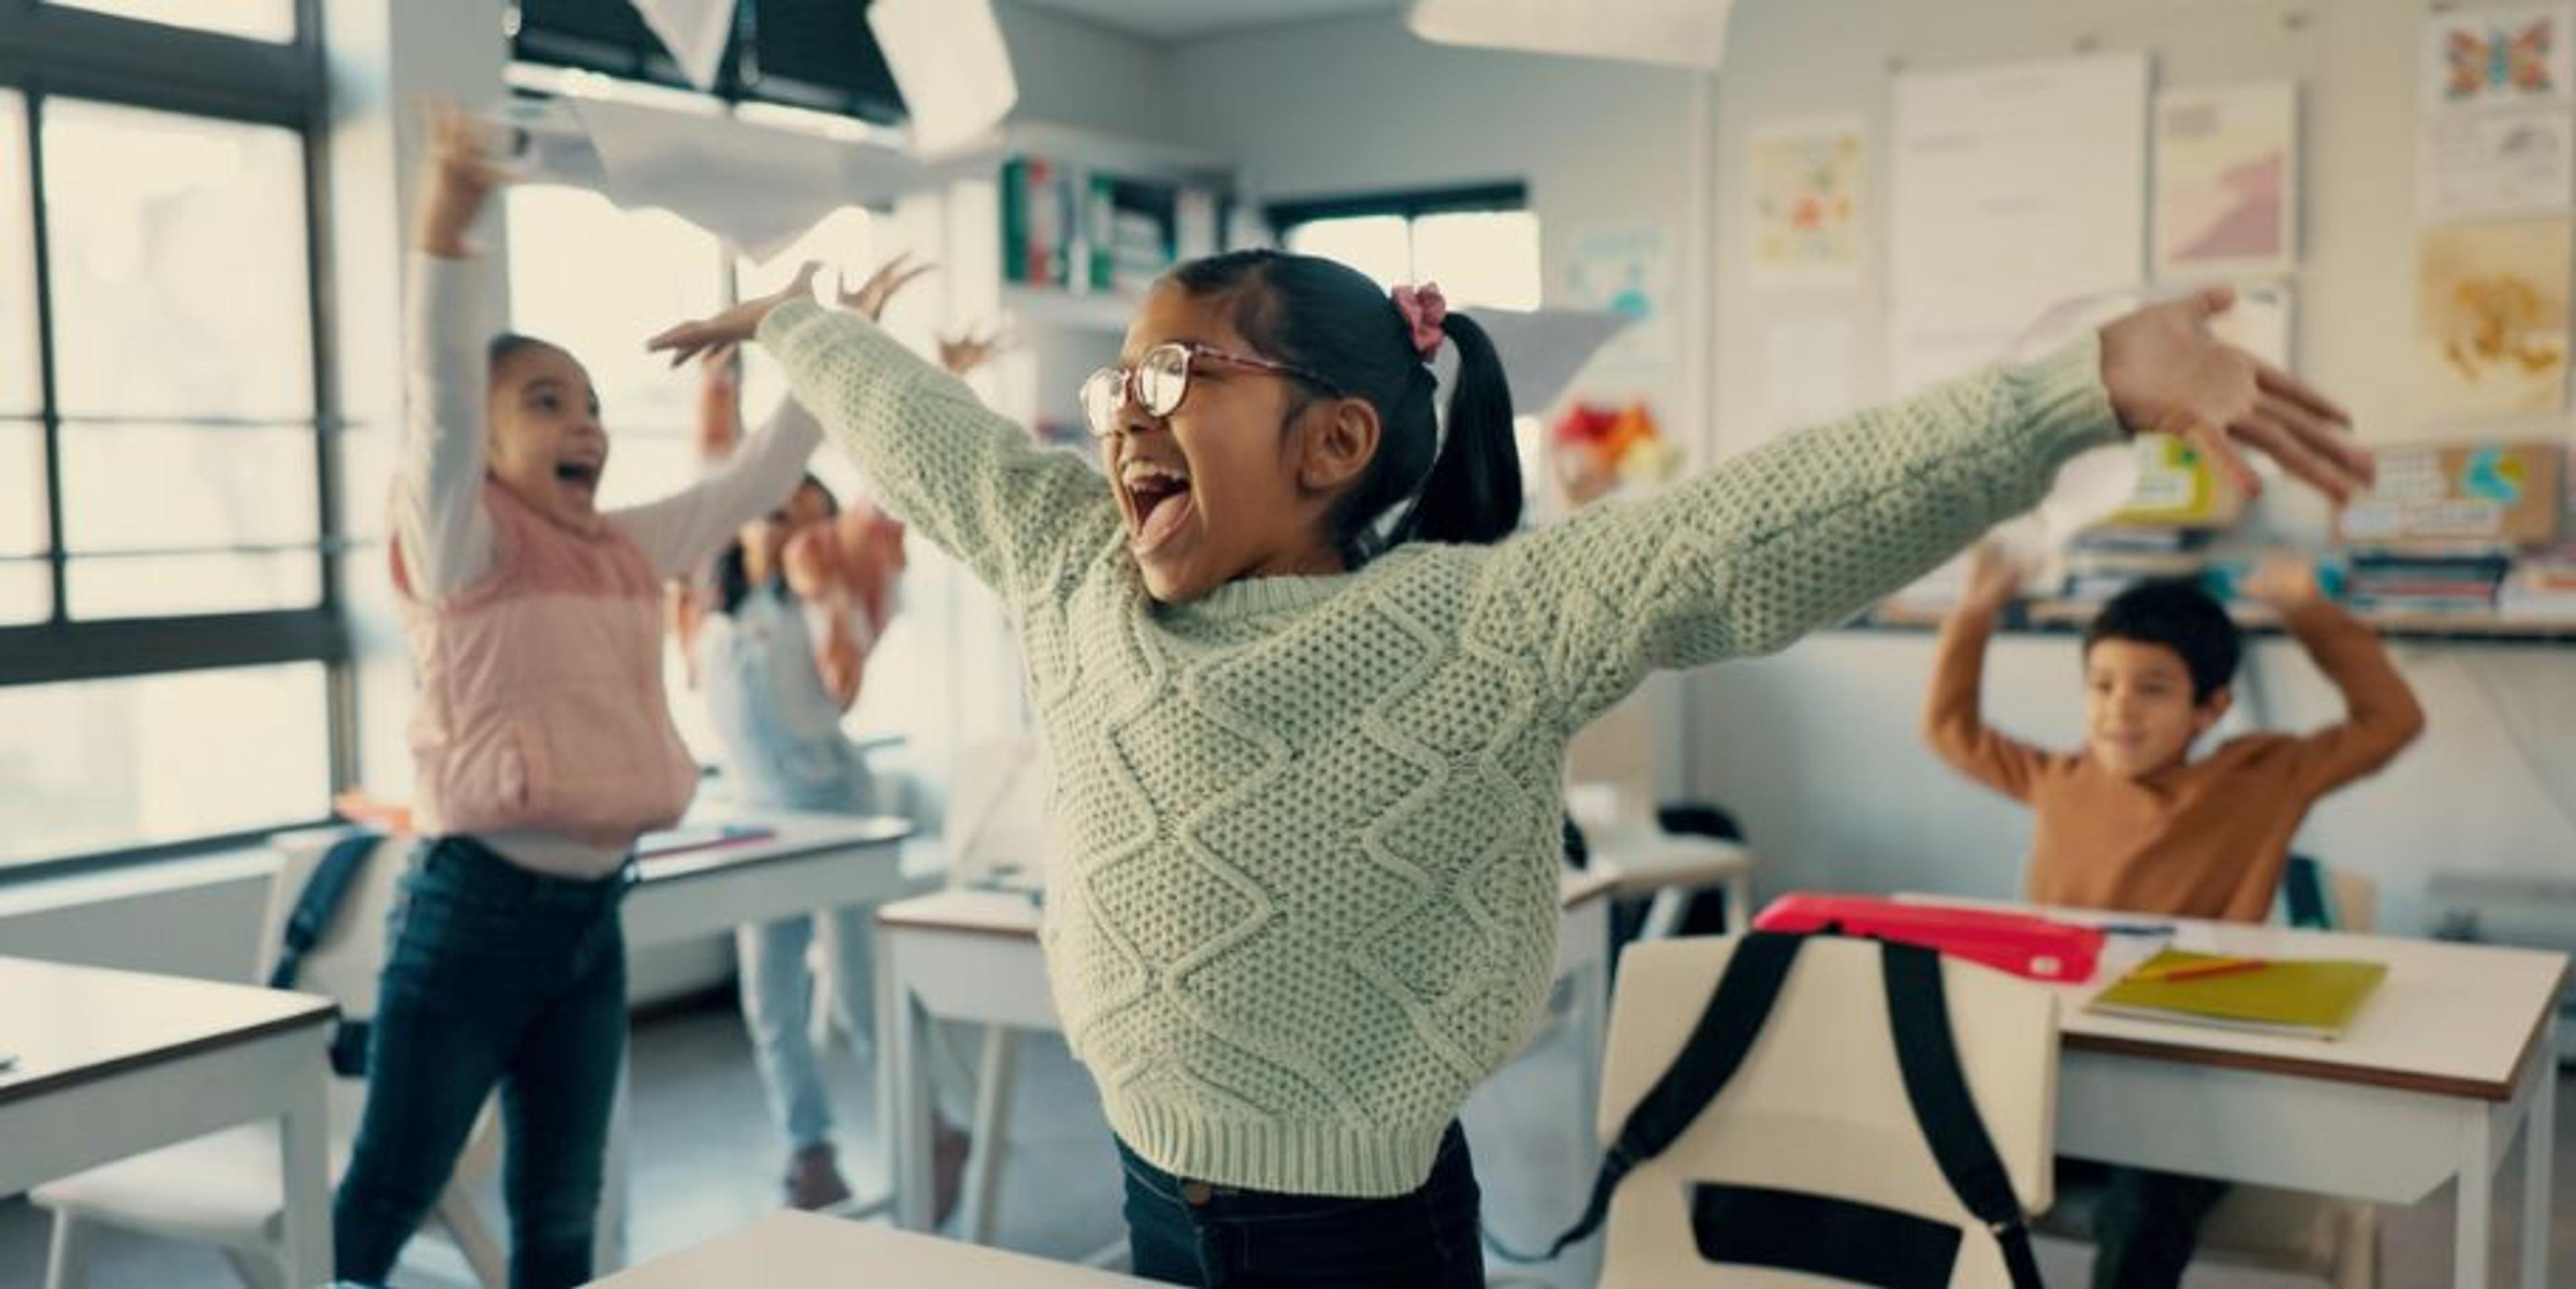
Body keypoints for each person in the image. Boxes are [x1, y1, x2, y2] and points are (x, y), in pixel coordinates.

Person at [645, 244, 2367, 1286]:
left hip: (1356, 1225)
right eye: (1114, 376)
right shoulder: (1063, 556)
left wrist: (2081, 391)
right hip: (1142, 1176)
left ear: (1333, 441)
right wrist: (797, 328)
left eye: (1174, 372)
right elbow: (924, 430)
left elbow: (1758, 523)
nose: (1119, 411)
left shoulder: (1476, 624)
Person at [331, 103, 825, 1289]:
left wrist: (813, 339)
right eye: (546, 401)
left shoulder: (619, 544)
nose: (585, 423)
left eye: (592, 403)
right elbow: (440, 393)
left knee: (563, 1209)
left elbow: (760, 474)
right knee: (394, 1188)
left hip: (590, 921)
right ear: (490, 445)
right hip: (470, 916)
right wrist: (447, 221)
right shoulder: (461, 543)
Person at [1925, 548, 2423, 1288]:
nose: (2119, 708)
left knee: (2147, 1205)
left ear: (2212, 706)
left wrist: (2305, 608)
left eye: (2152, 688)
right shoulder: (2058, 779)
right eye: (2101, 684)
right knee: (1938, 1149)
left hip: (2197, 1097)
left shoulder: (2263, 778)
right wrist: (1975, 609)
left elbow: (2392, 719)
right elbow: (1950, 728)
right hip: (2065, 1081)